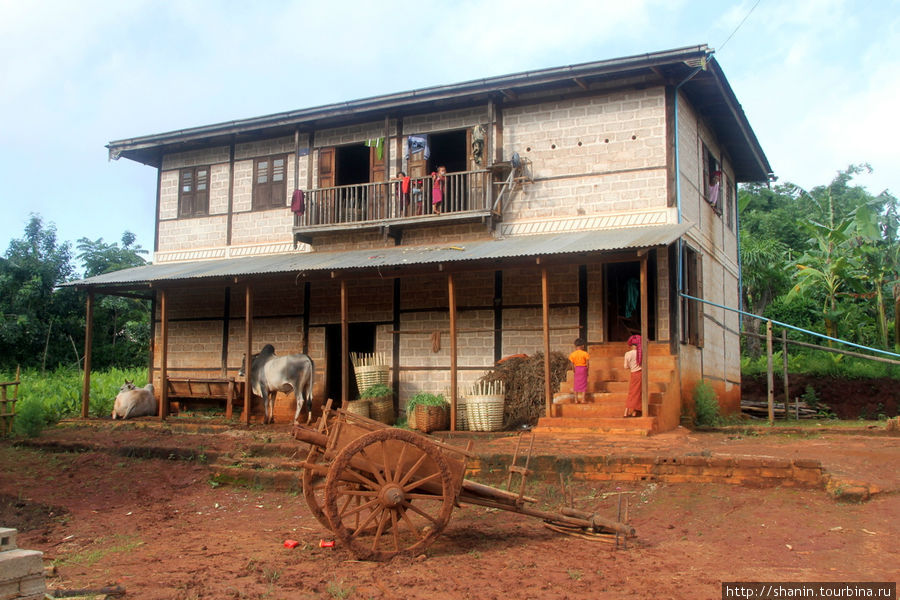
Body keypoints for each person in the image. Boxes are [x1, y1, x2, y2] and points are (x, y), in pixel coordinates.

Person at [624, 334, 642, 417]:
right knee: (636, 393)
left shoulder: (627, 354)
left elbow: (625, 366)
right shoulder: (640, 353)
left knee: (633, 392)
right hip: (639, 373)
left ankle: (630, 412)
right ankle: (629, 411)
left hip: (633, 373)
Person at [568, 338, 590, 404]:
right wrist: (587, 370)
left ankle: (576, 400)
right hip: (583, 369)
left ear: (575, 346)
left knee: (576, 384)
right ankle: (583, 399)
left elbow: (571, 363)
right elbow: (587, 363)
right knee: (584, 384)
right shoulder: (585, 354)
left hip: (577, 368)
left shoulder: (572, 354)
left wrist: (573, 369)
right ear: (583, 346)